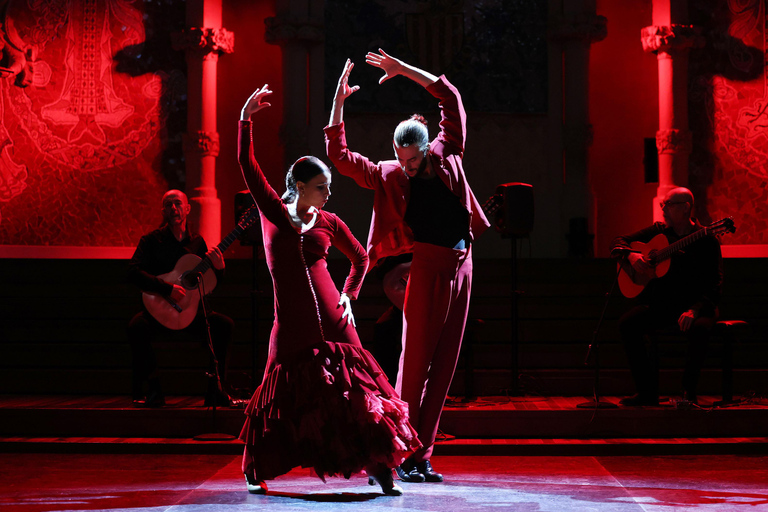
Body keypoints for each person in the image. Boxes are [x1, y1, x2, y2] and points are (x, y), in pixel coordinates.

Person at [237, 84, 420, 496]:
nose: (328, 193)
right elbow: (248, 166)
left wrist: (350, 295)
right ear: (300, 187)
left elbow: (361, 258)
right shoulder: (272, 213)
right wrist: (245, 120)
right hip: (291, 324)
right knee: (279, 393)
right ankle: (256, 468)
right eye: (322, 186)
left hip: (335, 318)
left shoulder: (329, 221)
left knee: (358, 390)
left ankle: (381, 467)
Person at [325, 51, 490, 483]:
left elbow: (450, 98)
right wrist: (339, 104)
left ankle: (422, 456)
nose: (408, 168)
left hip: (463, 263)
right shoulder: (390, 175)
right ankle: (395, 452)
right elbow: (340, 157)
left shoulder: (447, 151)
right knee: (413, 367)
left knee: (446, 367)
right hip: (429, 267)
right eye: (402, 160)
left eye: (414, 160)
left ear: (426, 149)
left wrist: (404, 71)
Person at [611, 187, 723, 406]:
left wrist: (695, 308)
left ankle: (687, 392)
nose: (663, 209)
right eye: (663, 204)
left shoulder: (707, 240)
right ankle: (646, 392)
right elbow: (617, 242)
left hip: (697, 305)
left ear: (685, 208)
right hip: (665, 305)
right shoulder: (659, 232)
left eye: (668, 205)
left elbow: (715, 283)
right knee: (627, 324)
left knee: (699, 329)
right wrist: (631, 255)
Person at [127, 189, 233, 408]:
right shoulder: (151, 241)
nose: (173, 208)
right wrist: (167, 288)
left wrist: (220, 268)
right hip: (160, 312)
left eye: (177, 203)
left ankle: (215, 391)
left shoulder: (198, 243)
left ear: (187, 208)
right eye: (168, 204)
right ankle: (154, 390)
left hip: (191, 314)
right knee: (137, 326)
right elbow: (133, 271)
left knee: (224, 325)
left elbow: (208, 283)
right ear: (163, 210)